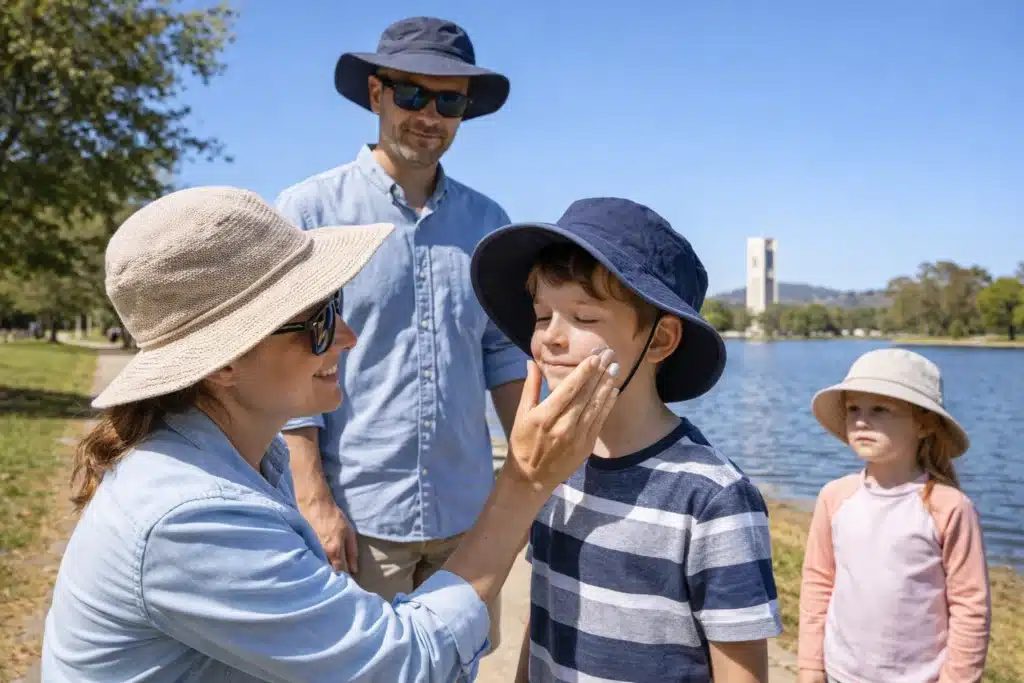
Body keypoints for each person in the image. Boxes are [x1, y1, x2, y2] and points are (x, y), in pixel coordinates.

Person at [40, 186, 621, 682]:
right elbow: (403, 665)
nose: (345, 336)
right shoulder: (190, 514)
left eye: (335, 306)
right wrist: (525, 481)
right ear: (224, 363)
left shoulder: (232, 458)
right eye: (318, 320)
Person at [273, 17, 522, 649]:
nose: (429, 114)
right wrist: (314, 500)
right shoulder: (310, 213)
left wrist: (534, 479)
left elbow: (501, 358)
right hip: (357, 517)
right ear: (377, 94)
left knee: (457, 667)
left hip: (467, 519)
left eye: (449, 101)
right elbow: (283, 363)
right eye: (411, 94)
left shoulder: (489, 224)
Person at [470, 198, 784, 683]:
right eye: (541, 316)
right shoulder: (555, 467)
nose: (551, 338)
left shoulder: (712, 498)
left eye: (584, 318)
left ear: (659, 341)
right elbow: (544, 615)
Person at [797, 348, 991, 683]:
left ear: (924, 424)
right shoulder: (835, 496)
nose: (861, 420)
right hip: (841, 673)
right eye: (853, 409)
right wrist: (810, 665)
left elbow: (970, 608)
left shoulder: (948, 507)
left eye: (880, 410)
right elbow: (818, 582)